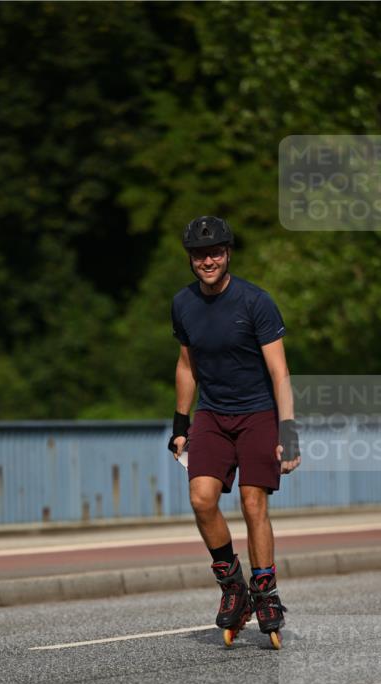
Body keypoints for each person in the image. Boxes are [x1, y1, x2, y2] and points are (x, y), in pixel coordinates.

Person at [168, 215, 300, 647]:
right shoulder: (183, 304)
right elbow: (187, 366)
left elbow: (279, 372)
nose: (208, 260)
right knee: (201, 499)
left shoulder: (255, 301)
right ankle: (233, 587)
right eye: (199, 254)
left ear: (228, 254)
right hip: (213, 414)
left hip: (258, 413)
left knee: (251, 499)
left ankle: (266, 592)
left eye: (215, 252)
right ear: (190, 259)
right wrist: (180, 424)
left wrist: (288, 430)